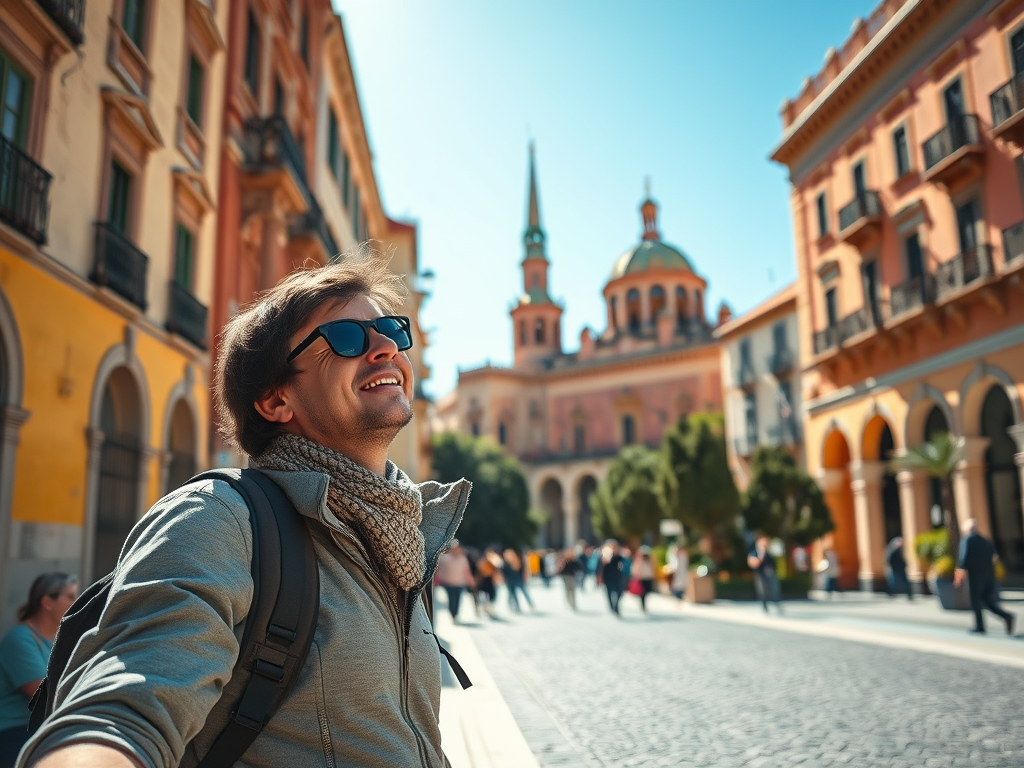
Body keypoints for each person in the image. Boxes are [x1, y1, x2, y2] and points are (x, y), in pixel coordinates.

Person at [21, 253, 472, 768]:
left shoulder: (399, 542)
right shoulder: (217, 519)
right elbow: (127, 708)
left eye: (391, 329)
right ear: (275, 401)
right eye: (348, 337)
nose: (386, 346)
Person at [0, 574, 78, 766]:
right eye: (70, 597)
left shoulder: (62, 643)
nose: (76, 602)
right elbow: (41, 696)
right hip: (17, 732)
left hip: (48, 730)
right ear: (47, 602)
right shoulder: (20, 639)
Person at [955, 519, 1015, 636]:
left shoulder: (967, 540)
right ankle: (1006, 616)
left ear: (966, 529)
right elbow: (994, 558)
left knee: (976, 601)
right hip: (989, 576)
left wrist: (959, 575)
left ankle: (980, 626)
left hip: (975, 576)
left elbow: (964, 558)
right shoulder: (985, 541)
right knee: (987, 601)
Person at [436, 540, 475, 624]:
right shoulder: (444, 558)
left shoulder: (463, 559)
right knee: (451, 599)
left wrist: (471, 581)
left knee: (457, 600)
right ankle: (452, 614)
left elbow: (466, 571)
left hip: (459, 583)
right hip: (448, 583)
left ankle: (455, 615)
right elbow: (438, 570)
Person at [748, 535, 782, 614]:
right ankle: (764, 606)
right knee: (762, 591)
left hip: (770, 573)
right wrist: (762, 553)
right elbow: (754, 562)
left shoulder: (770, 552)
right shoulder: (754, 552)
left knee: (774, 589)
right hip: (760, 573)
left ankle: (777, 604)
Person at [597, 540, 625, 616]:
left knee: (619, 592)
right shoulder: (605, 555)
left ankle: (616, 606)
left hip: (617, 576)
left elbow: (622, 563)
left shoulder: (619, 556)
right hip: (608, 576)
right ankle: (612, 607)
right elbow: (600, 566)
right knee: (609, 592)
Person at [502, 548, 533, 613]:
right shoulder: (509, 562)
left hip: (514, 580)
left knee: (517, 593)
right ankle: (519, 606)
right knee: (516, 593)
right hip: (513, 580)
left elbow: (523, 570)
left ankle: (519, 606)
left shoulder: (512, 562)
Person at [632, 547, 656, 614]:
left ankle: (643, 603)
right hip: (642, 579)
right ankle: (643, 605)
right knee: (642, 593)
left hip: (648, 578)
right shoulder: (639, 561)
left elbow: (652, 570)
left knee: (647, 592)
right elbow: (635, 569)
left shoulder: (650, 561)